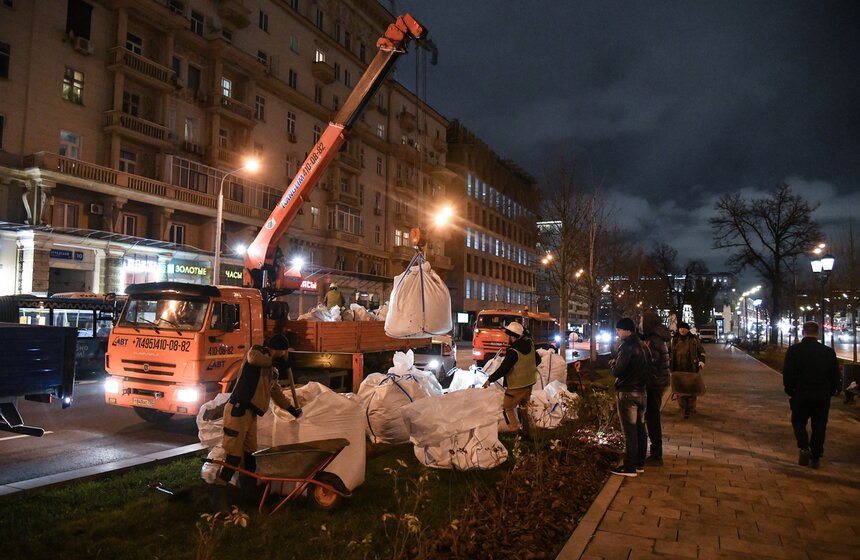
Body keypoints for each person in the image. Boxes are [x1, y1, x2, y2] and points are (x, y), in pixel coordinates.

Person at [213, 334, 301, 509]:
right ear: (277, 349)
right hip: (237, 412)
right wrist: (276, 361)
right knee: (233, 456)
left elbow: (275, 393)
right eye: (283, 351)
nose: (284, 354)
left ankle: (247, 495)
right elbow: (255, 359)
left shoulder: (271, 371)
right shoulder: (257, 353)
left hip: (251, 416)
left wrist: (292, 410)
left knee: (249, 456)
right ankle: (217, 494)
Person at [782, 321, 840, 469]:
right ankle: (816, 454)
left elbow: (788, 374)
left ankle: (803, 446)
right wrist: (832, 391)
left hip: (801, 393)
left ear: (803, 332)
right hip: (822, 395)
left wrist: (790, 390)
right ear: (818, 333)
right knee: (820, 425)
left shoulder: (794, 351)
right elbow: (835, 375)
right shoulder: (828, 352)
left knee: (798, 421)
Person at [482, 321, 541, 433]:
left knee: (507, 407)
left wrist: (490, 379)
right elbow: (538, 360)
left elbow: (504, 369)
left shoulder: (513, 351)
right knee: (524, 406)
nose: (506, 338)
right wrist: (528, 369)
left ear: (513, 337)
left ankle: (515, 430)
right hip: (529, 383)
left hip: (516, 386)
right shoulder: (530, 345)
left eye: (508, 336)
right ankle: (527, 431)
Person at [610, 317, 650, 477]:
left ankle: (630, 466)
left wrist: (613, 364)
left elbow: (618, 371)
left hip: (627, 393)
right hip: (642, 392)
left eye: (619, 330)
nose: (617, 333)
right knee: (640, 428)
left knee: (630, 431)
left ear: (627, 330)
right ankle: (640, 463)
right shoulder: (643, 346)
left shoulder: (627, 347)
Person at [640, 312, 671, 466]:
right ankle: (656, 452)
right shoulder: (657, 338)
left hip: (653, 385)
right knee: (653, 417)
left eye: (641, 321)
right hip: (658, 383)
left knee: (652, 418)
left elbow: (649, 364)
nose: (640, 324)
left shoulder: (653, 340)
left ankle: (656, 454)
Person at [670, 321, 706, 419]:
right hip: (677, 368)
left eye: (684, 328)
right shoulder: (674, 340)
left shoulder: (693, 339)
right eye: (680, 328)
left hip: (691, 368)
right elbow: (669, 352)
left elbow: (701, 351)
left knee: (691, 390)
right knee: (680, 390)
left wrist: (701, 362)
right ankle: (682, 407)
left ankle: (691, 407)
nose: (682, 330)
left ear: (687, 329)